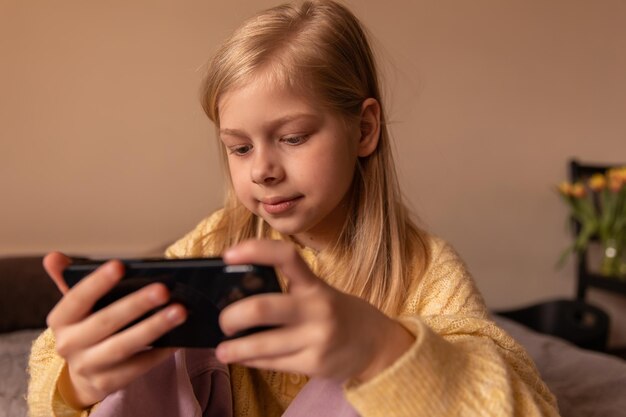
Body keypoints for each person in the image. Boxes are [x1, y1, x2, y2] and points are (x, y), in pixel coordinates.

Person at [28, 1, 559, 416]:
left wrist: (379, 351)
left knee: (386, 374)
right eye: (239, 148)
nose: (261, 169)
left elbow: (527, 404)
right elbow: (53, 365)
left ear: (365, 130)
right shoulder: (217, 242)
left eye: (293, 137)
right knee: (153, 338)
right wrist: (80, 382)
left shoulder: (427, 271)